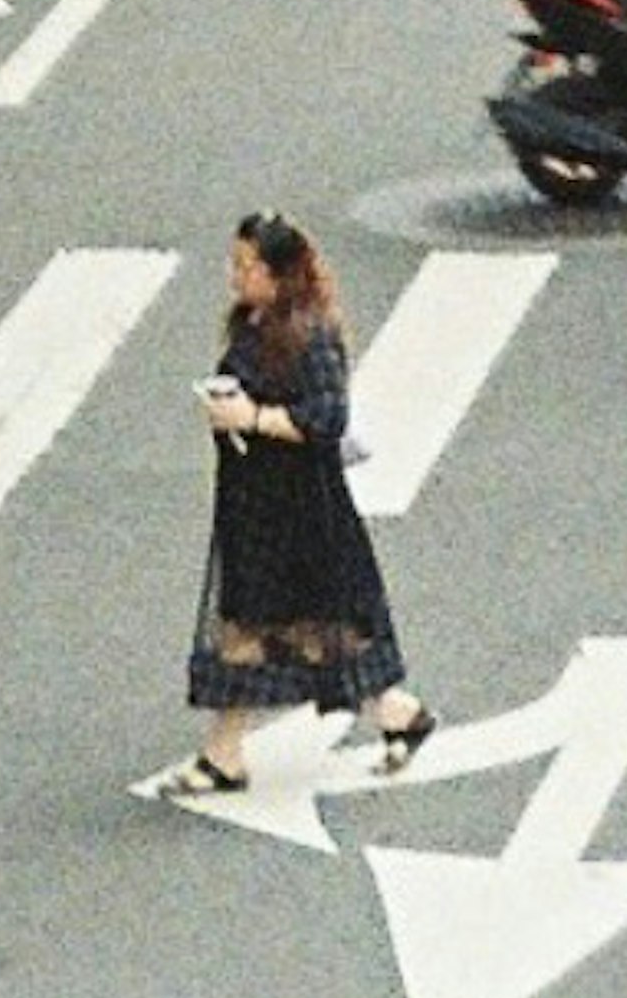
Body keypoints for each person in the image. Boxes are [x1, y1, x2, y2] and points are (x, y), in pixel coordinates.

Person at [168, 214, 433, 796]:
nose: (234, 277)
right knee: (251, 624)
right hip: (253, 504)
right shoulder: (252, 322)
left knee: (314, 629)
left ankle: (229, 753)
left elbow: (326, 419)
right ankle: (389, 716)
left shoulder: (309, 335)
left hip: (301, 509)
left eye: (247, 266)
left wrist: (252, 418)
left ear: (279, 274)